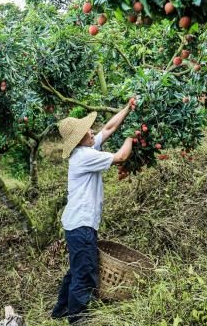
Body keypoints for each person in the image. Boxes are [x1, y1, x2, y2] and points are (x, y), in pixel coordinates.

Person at [51, 99, 135, 324]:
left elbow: (108, 128)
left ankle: (61, 310)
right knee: (85, 273)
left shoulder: (87, 148)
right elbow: (121, 157)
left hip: (76, 224)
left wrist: (128, 108)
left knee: (76, 269)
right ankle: (78, 320)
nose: (91, 131)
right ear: (79, 139)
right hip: (81, 225)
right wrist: (132, 137)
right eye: (86, 131)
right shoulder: (84, 157)